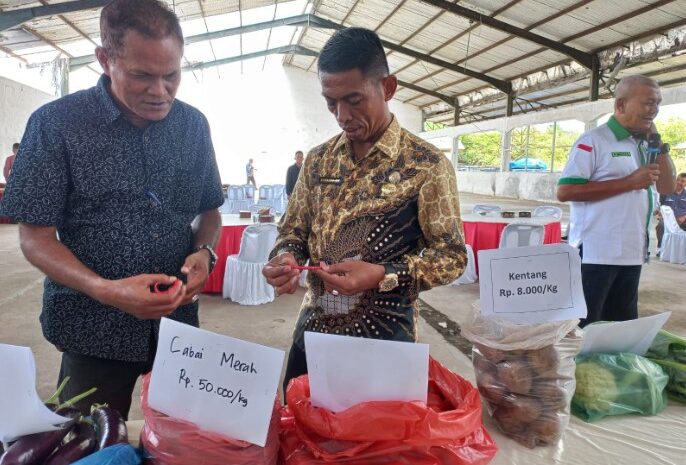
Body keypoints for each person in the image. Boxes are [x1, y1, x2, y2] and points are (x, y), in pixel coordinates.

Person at [0, 0, 223, 419]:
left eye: (171, 75)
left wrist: (204, 253)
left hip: (178, 324)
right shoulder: (57, 124)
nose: (160, 91)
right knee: (91, 446)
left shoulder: (192, 126)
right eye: (141, 75)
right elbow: (35, 238)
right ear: (105, 60)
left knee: (180, 442)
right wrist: (105, 289)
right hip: (92, 329)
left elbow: (210, 212)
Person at [262, 27, 467, 394]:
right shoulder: (318, 160)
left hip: (386, 340)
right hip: (314, 331)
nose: (342, 115)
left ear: (387, 88)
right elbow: (292, 231)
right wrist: (285, 258)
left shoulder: (426, 165)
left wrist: (381, 275)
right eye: (331, 102)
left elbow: (451, 256)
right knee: (299, 435)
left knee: (377, 444)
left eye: (354, 100)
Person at [557, 75, 675, 328]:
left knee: (620, 328)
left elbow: (666, 186)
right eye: (648, 103)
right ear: (621, 105)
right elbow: (565, 191)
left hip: (632, 254)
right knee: (585, 328)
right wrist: (629, 182)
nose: (654, 110)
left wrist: (658, 144)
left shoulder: (645, 144)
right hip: (596, 254)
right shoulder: (593, 141)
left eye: (658, 104)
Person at [656, 172, 686, 252]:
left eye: (682, 181)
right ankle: (660, 247)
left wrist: (684, 217)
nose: (679, 182)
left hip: (682, 221)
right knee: (661, 225)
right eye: (677, 180)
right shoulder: (666, 193)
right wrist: (660, 213)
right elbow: (659, 206)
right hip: (667, 220)